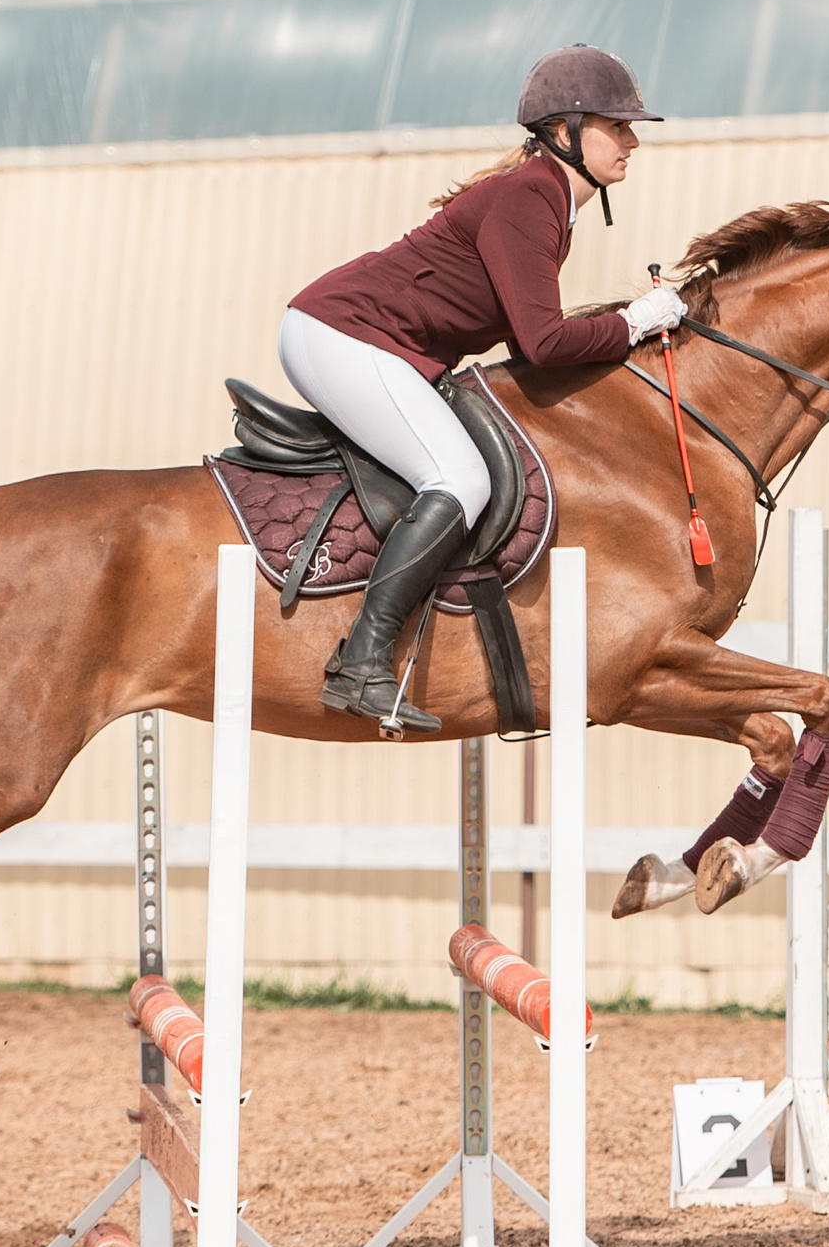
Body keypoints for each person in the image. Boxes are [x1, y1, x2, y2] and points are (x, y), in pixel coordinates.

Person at [278, 44, 687, 733]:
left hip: (362, 339)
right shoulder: (532, 194)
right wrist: (635, 322)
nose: (632, 139)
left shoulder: (548, 198)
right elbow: (544, 343)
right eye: (616, 125)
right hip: (342, 333)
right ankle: (363, 660)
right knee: (461, 477)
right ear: (565, 132)